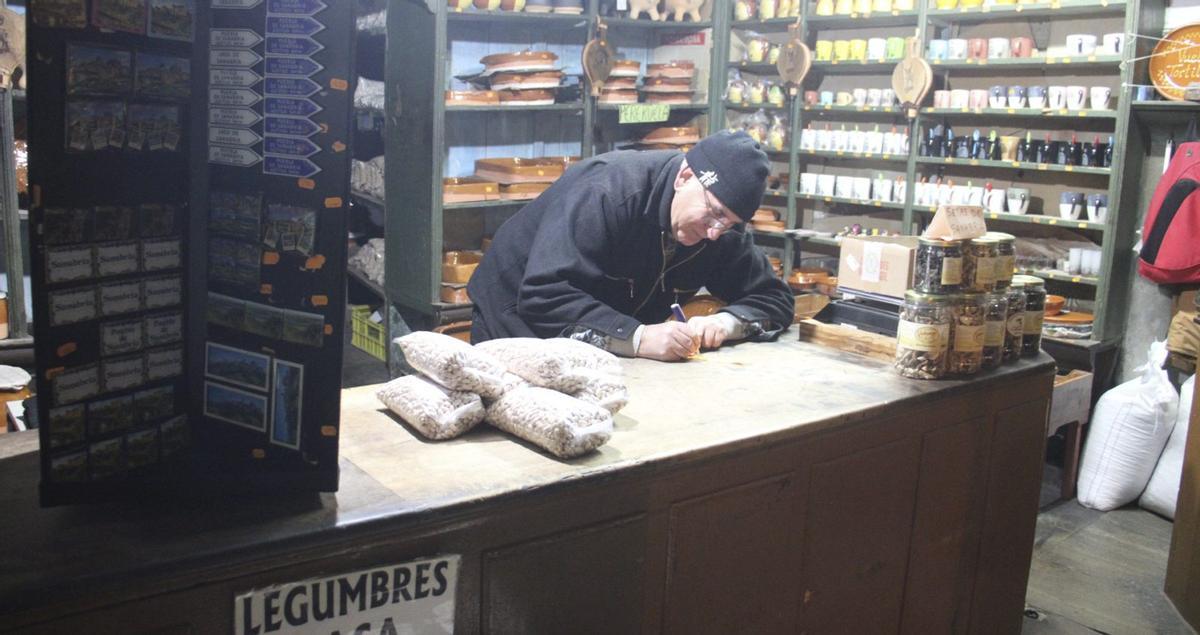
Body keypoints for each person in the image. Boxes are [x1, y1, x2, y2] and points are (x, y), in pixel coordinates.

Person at [467, 130, 794, 361]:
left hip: (600, 343)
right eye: (715, 214)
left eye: (731, 224)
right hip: (514, 320)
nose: (714, 233)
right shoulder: (609, 191)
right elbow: (543, 293)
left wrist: (725, 323)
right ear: (684, 178)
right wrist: (638, 338)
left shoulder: (722, 228)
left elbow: (775, 298)